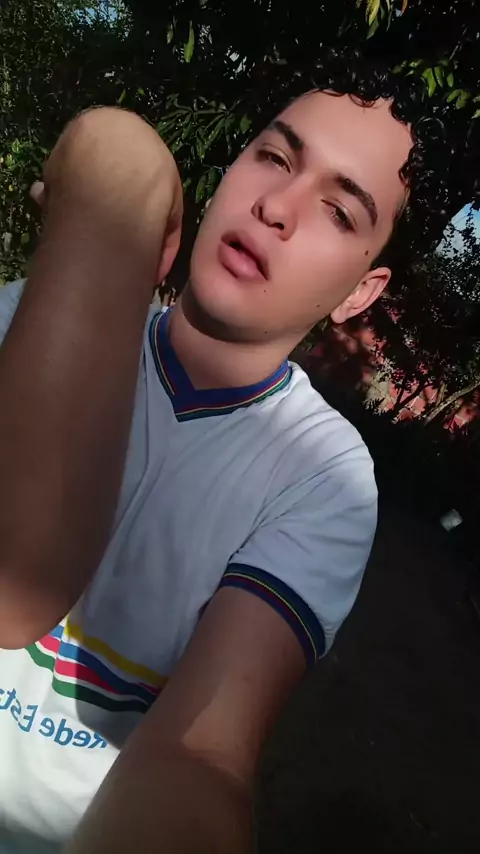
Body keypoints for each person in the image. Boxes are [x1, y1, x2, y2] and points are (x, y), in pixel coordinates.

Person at [0, 54, 447, 853]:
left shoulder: (324, 476)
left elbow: (203, 757)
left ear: (361, 293)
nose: (276, 207)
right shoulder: (19, 317)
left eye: (339, 211)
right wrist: (110, 177)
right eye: (274, 157)